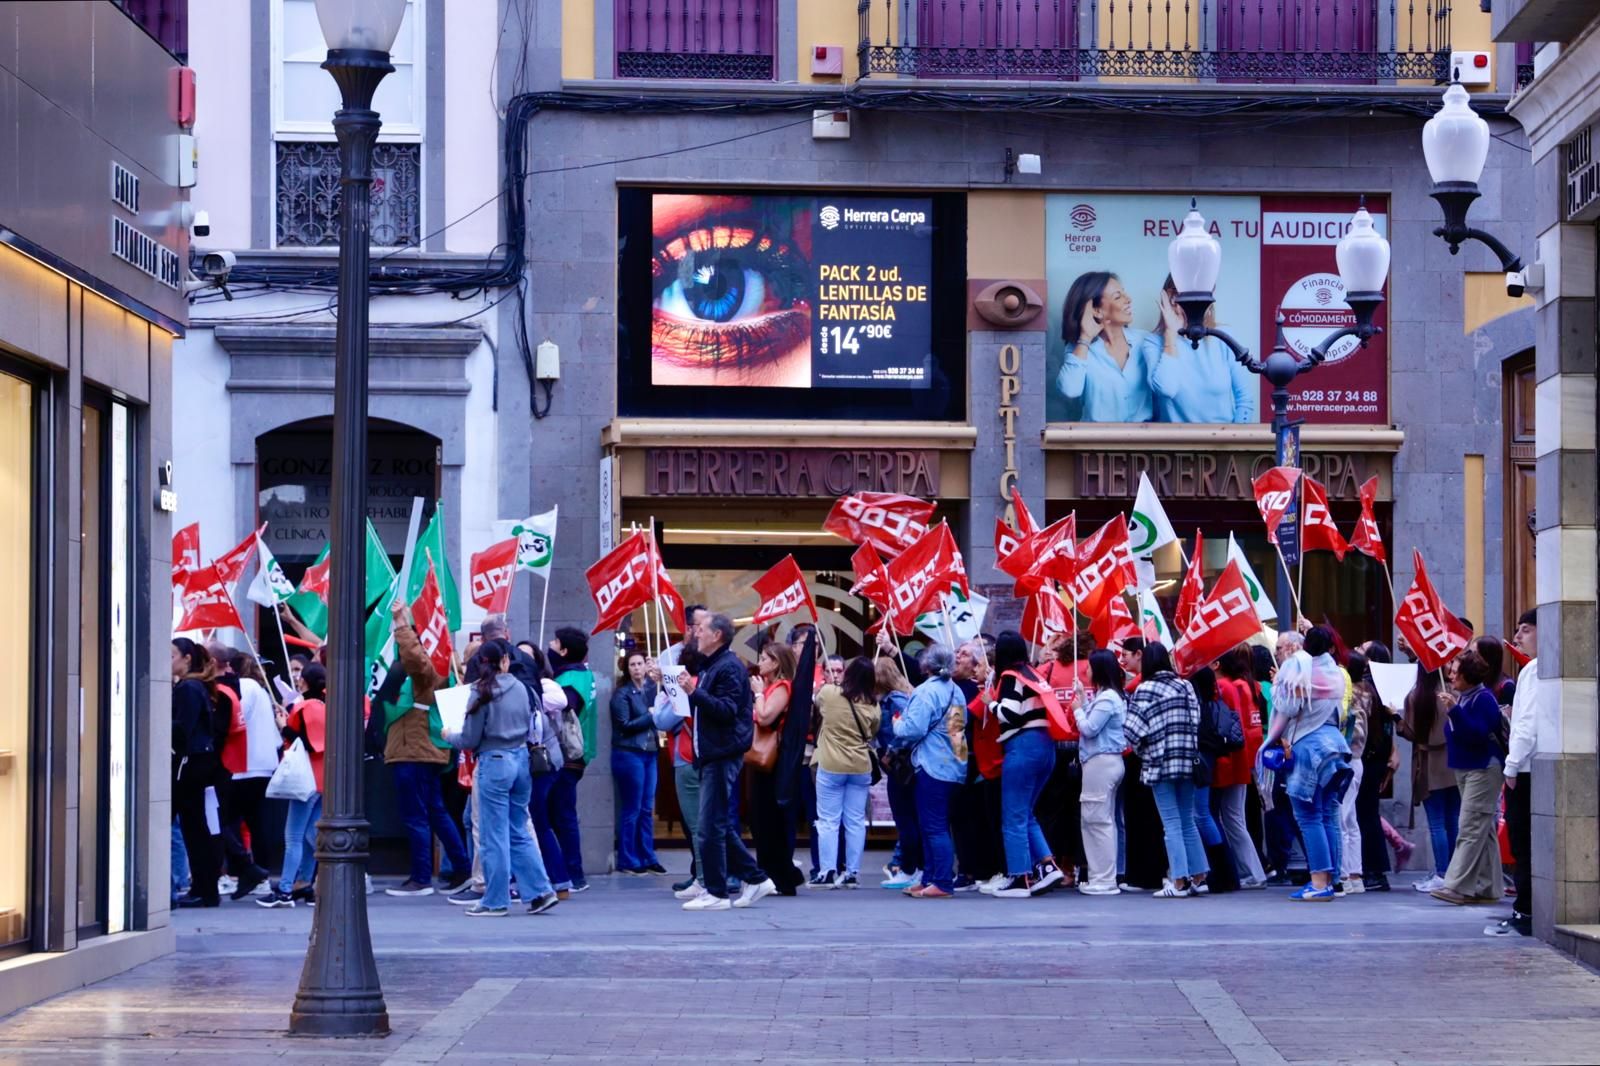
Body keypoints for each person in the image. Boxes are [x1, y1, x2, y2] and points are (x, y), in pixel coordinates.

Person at [450, 639, 559, 917]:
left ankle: (495, 899)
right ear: (506, 661)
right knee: (518, 828)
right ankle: (540, 891)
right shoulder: (521, 688)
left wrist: (449, 735)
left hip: (494, 762)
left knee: (492, 835)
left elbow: (469, 738)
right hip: (521, 759)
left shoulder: (479, 691)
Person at [682, 613, 778, 910]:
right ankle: (755, 878)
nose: (696, 633)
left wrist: (693, 692)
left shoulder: (729, 667)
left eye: (702, 629)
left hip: (722, 754)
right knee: (717, 825)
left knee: (710, 826)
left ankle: (717, 892)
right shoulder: (714, 665)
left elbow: (725, 710)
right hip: (713, 754)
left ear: (717, 636)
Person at [385, 602, 471, 898]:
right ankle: (461, 869)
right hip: (418, 751)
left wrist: (401, 623)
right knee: (435, 812)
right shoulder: (425, 675)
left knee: (418, 815)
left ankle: (422, 878)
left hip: (416, 753)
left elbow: (415, 659)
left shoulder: (428, 672)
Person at [1264, 629, 1352, 902]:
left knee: (1308, 816)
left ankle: (1318, 882)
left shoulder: (1297, 669)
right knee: (1327, 814)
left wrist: (1279, 682)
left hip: (1307, 746)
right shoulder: (1335, 673)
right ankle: (1333, 879)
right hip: (1334, 744)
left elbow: (1286, 706)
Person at [987, 630, 1066, 898]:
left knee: (1013, 817)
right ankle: (1048, 865)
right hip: (1045, 747)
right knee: (1026, 813)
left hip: (1022, 747)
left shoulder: (1010, 677)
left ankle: (1020, 878)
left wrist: (990, 704)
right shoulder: (1034, 675)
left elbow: (1009, 714)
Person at [1124, 642, 1207, 897]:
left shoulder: (1145, 689)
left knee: (1170, 822)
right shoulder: (1185, 686)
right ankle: (1200, 875)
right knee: (1187, 821)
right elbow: (1197, 720)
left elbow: (1132, 731)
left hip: (1160, 762)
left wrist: (1143, 749)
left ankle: (1179, 880)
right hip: (1187, 760)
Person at [891, 643, 969, 899]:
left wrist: (897, 724)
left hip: (931, 764)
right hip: (952, 764)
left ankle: (942, 881)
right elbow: (957, 731)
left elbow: (912, 729)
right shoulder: (955, 691)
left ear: (926, 665)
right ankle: (930, 878)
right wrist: (959, 764)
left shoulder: (925, 691)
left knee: (933, 826)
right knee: (933, 825)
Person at [1431, 649, 1506, 905]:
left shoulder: (1482, 698)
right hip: (1468, 767)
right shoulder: (1464, 697)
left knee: (1471, 826)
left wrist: (1454, 711)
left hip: (1483, 767)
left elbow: (1477, 733)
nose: (1451, 675)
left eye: (1455, 671)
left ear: (1469, 674)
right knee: (1482, 829)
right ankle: (1488, 887)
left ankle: (1456, 885)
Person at [808, 657, 882, 889]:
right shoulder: (873, 704)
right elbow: (872, 731)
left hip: (831, 763)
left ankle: (827, 870)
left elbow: (817, 702)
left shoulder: (830, 693)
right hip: (860, 766)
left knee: (828, 820)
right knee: (855, 822)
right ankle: (852, 873)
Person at [1145, 275, 1257, 423]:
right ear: (1172, 298)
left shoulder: (1223, 338)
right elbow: (1167, 389)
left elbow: (1245, 401)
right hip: (1175, 443)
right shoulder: (1153, 343)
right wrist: (1171, 335)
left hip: (1223, 441)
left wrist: (1234, 442)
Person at [259, 664, 327, 908]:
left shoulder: (304, 707)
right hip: (322, 780)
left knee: (294, 836)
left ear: (304, 683)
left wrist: (283, 725)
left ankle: (286, 888)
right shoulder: (325, 706)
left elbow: (305, 742)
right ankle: (304, 884)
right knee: (310, 835)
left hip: (303, 778)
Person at [653, 606, 709, 899]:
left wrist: (663, 694)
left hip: (687, 755)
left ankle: (704, 877)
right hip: (707, 756)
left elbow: (663, 720)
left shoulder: (686, 688)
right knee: (711, 821)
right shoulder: (710, 682)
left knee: (696, 824)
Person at [1491, 610, 1539, 936]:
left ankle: (1525, 911)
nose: (1518, 637)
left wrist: (1511, 764)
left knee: (1522, 844)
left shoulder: (1535, 670)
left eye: (1525, 630)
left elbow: (1528, 723)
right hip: (1534, 766)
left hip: (1525, 769)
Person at [1055, 271, 1154, 422]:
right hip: (1097, 441)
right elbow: (1070, 390)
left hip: (1143, 440)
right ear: (1096, 310)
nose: (1128, 299)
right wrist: (1085, 338)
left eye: (1124, 293)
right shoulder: (1079, 349)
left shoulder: (1145, 341)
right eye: (1118, 296)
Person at [222, 652, 282, 898]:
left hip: (246, 764)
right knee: (257, 822)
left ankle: (241, 871)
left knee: (227, 820)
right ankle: (261, 875)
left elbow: (236, 716)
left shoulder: (245, 687)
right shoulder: (260, 689)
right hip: (262, 763)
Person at [747, 640, 805, 896]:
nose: (760, 662)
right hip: (764, 761)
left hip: (773, 760)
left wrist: (759, 694)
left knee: (769, 818)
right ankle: (773, 872)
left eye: (764, 658)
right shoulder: (773, 686)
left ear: (776, 663)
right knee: (761, 818)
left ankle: (781, 876)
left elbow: (766, 716)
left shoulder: (781, 686)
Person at [171, 639, 224, 908]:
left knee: (194, 829)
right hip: (197, 762)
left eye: (172, 656)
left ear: (187, 658)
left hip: (189, 764)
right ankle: (203, 887)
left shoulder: (188, 688)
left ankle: (203, 888)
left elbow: (182, 729)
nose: (169, 661)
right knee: (195, 828)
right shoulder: (194, 687)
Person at [1399, 662, 1459, 892]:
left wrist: (1397, 722)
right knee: (1452, 821)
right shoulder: (1451, 695)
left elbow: (1412, 732)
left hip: (1428, 765)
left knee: (1436, 824)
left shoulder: (1416, 697)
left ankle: (1442, 873)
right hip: (1453, 763)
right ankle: (1454, 872)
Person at [547, 627, 595, 893]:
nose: (550, 645)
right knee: (562, 814)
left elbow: (566, 708)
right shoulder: (583, 673)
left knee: (563, 815)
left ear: (564, 651)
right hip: (576, 754)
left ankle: (573, 874)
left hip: (568, 755)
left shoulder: (571, 678)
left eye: (555, 642)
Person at [1075, 649, 1127, 895]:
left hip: (1101, 761)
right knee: (1102, 819)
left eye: (1089, 666)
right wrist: (1083, 703)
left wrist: (1077, 709)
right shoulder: (1106, 697)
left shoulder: (1107, 698)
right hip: (1106, 761)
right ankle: (1104, 876)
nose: (1085, 670)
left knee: (1097, 820)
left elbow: (1090, 728)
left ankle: (1104, 879)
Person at [1214, 647, 1267, 888]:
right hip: (1242, 759)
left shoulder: (1230, 687)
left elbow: (1231, 725)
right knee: (1235, 818)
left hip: (1232, 760)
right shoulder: (1248, 686)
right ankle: (1253, 872)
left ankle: (1252, 873)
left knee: (1234, 819)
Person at [1352, 644, 1399, 892]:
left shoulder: (1366, 689)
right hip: (1376, 758)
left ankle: (1374, 871)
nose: (1357, 648)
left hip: (1368, 757)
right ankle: (1375, 870)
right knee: (1366, 814)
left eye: (1363, 648)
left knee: (1365, 815)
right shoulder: (1381, 688)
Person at [610, 652, 662, 875]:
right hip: (629, 753)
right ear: (626, 668)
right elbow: (624, 724)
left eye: (640, 663)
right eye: (632, 664)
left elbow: (665, 700)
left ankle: (648, 856)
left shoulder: (651, 689)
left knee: (646, 808)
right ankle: (628, 859)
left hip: (650, 753)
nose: (637, 668)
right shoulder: (622, 694)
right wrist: (650, 715)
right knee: (632, 808)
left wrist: (658, 675)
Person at [874, 655, 922, 890]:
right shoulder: (902, 696)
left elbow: (905, 731)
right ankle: (913, 867)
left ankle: (909, 868)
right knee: (909, 818)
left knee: (905, 819)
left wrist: (889, 753)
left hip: (901, 765)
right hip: (904, 764)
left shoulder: (895, 700)